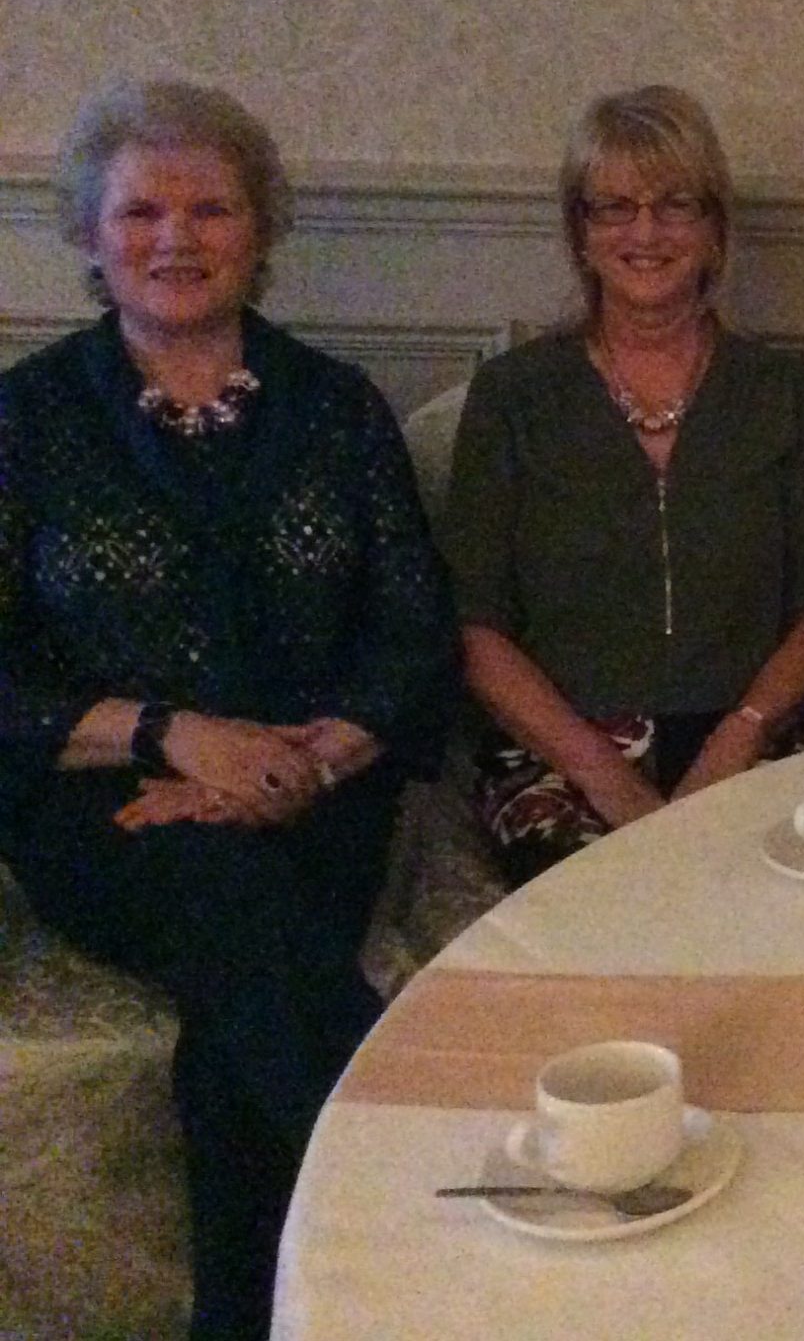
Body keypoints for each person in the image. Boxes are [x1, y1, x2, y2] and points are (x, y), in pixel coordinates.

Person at [0, 80, 455, 1340]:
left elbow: (413, 632)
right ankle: (446, 1211)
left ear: (261, 230)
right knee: (239, 914)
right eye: (141, 211)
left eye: (211, 208)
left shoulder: (336, 408)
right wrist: (175, 736)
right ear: (90, 234)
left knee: (237, 1005)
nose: (176, 237)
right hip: (104, 803)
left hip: (321, 787)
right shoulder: (26, 419)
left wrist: (303, 762)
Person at [443, 87, 804, 884]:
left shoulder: (777, 389)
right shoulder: (515, 395)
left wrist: (735, 743)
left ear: (715, 227)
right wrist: (604, 777)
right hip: (564, 746)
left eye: (675, 205)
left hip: (753, 731)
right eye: (615, 208)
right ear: (580, 231)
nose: (646, 233)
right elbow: (476, 630)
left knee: (780, 899)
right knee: (601, 904)